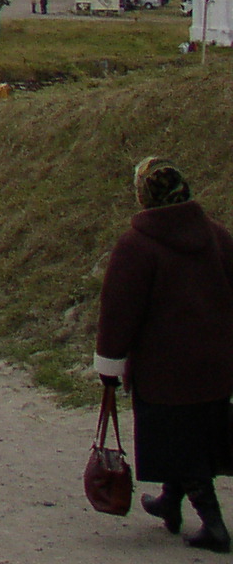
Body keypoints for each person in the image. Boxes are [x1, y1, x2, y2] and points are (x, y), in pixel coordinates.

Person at [95, 156, 233, 552]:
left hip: (165, 371)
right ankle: (169, 503)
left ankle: (214, 526)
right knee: (193, 435)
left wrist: (109, 364)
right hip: (217, 366)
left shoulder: (136, 246)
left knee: (180, 441)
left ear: (143, 195)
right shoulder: (218, 236)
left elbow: (119, 312)